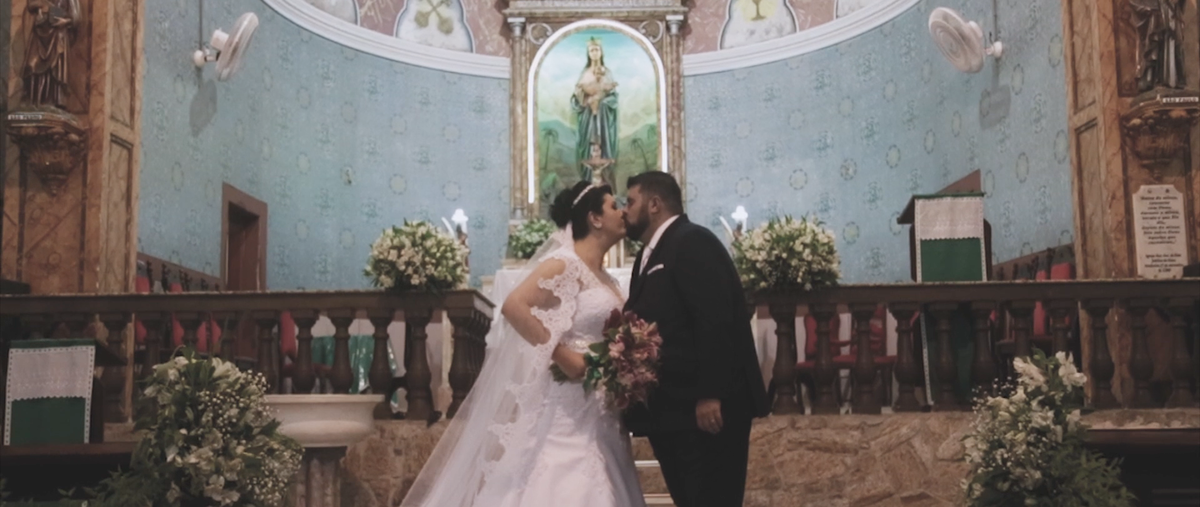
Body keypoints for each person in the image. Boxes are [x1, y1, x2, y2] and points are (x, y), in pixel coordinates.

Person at [401, 181, 645, 507]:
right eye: (614, 206)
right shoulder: (565, 263)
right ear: (595, 218)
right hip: (569, 401)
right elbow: (514, 305)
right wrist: (560, 353)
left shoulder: (608, 278)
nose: (622, 213)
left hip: (602, 408)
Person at [622, 171, 770, 507]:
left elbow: (714, 320)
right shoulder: (647, 256)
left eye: (630, 201)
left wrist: (710, 394)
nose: (624, 210)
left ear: (655, 204)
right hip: (675, 413)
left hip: (705, 413)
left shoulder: (692, 242)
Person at [572, 37, 619, 173]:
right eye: (591, 50)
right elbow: (576, 97)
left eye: (596, 49)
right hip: (588, 117)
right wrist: (585, 98)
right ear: (588, 53)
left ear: (601, 52)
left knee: (602, 145)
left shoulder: (607, 73)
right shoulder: (584, 73)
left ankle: (605, 177)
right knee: (588, 147)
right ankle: (587, 178)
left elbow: (614, 97)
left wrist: (602, 101)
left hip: (603, 117)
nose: (594, 53)